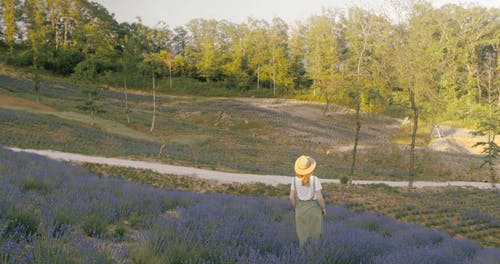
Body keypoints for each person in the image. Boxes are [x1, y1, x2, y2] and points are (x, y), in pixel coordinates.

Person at [289, 155, 326, 247]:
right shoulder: (314, 179)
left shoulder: (294, 180)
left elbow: (291, 197)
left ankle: (303, 256)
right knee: (316, 236)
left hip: (300, 209)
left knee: (302, 237)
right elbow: (319, 197)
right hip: (314, 209)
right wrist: (323, 208)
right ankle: (315, 255)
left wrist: (296, 207)